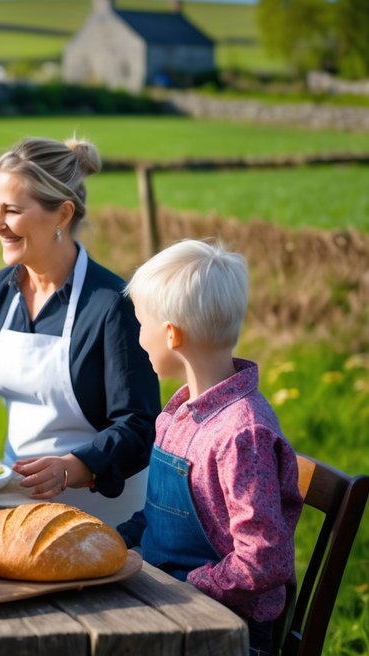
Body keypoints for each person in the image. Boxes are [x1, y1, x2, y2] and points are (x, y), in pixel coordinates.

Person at [0, 136, 159, 526]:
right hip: (18, 501)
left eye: (12, 210)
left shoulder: (111, 303)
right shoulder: (0, 289)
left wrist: (72, 468)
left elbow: (139, 425)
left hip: (99, 517)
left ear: (61, 215)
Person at [118, 239, 302, 656]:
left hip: (225, 629)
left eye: (141, 323)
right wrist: (109, 541)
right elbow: (157, 517)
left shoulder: (242, 434)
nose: (139, 336)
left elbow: (264, 560)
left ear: (171, 334)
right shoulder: (178, 414)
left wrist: (187, 588)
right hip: (170, 602)